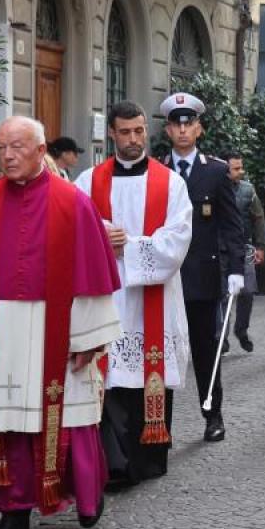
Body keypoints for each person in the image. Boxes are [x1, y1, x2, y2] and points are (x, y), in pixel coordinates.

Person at [0, 116, 121, 529]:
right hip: (1, 334)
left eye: (18, 147)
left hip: (57, 333)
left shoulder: (73, 203)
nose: (8, 155)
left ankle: (85, 498)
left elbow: (91, 275)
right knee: (6, 426)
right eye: (1, 147)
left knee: (70, 421)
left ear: (41, 151)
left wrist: (86, 338)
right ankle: (13, 515)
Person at [74, 100, 192, 488]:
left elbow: (177, 241)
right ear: (111, 133)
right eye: (125, 132)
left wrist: (132, 246)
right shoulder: (88, 182)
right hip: (108, 297)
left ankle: (147, 460)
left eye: (139, 130)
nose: (133, 139)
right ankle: (113, 465)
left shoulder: (170, 183)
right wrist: (98, 237)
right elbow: (70, 229)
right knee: (109, 384)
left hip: (152, 299)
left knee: (144, 380)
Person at [160, 92, 245, 442]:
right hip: (165, 277)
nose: (183, 131)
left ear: (199, 129)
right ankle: (158, 425)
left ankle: (213, 414)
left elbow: (231, 225)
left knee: (206, 349)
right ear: (167, 130)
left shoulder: (216, 171)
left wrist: (236, 269)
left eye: (189, 124)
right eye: (176, 125)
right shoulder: (158, 170)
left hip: (202, 275)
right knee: (162, 349)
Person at [216, 151, 265, 353]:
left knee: (247, 292)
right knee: (223, 296)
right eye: (236, 168)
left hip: (244, 248)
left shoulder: (248, 190)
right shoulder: (215, 188)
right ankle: (222, 337)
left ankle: (242, 330)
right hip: (219, 249)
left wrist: (261, 246)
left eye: (241, 167)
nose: (240, 172)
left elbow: (258, 217)